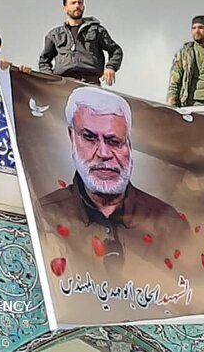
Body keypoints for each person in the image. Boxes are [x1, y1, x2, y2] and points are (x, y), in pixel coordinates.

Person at [38, 86, 190, 272]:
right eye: (89, 138)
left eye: (114, 141)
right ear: (72, 138)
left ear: (129, 145)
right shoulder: (45, 216)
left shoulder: (169, 224)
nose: (103, 154)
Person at [38, 0, 123, 86]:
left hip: (90, 83)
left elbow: (116, 50)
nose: (77, 5)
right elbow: (44, 61)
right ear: (65, 8)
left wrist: (111, 67)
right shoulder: (55, 34)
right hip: (64, 84)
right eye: (73, 3)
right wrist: (50, 79)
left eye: (80, 3)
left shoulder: (97, 30)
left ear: (84, 6)